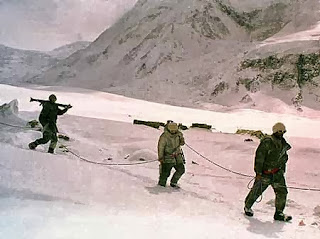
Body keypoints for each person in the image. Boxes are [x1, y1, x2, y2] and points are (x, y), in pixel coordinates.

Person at [244, 122, 292, 222]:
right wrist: (258, 173)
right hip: (265, 173)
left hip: (277, 173)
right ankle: (247, 207)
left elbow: (284, 158)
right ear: (275, 131)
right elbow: (259, 157)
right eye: (280, 131)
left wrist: (282, 170)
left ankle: (279, 213)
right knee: (257, 191)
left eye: (283, 131)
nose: (282, 133)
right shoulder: (267, 141)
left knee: (282, 192)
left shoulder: (283, 143)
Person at [157, 120, 185, 188]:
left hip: (177, 156)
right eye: (172, 131)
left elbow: (182, 143)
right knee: (165, 173)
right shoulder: (164, 136)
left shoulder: (179, 134)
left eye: (174, 130)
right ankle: (161, 185)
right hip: (167, 156)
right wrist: (161, 157)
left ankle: (174, 182)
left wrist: (182, 141)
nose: (173, 132)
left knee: (181, 170)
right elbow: (161, 147)